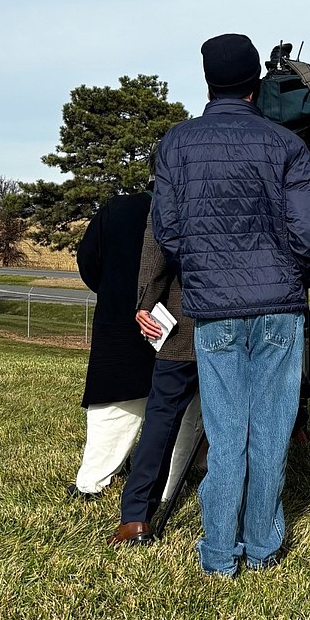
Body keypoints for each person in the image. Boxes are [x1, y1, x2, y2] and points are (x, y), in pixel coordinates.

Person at [150, 33, 310, 577]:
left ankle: (220, 553)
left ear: (208, 81)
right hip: (277, 303)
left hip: (215, 307)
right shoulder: (285, 145)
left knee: (227, 433)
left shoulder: (177, 144)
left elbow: (169, 230)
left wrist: (204, 270)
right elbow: (309, 229)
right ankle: (262, 546)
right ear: (256, 83)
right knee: (270, 431)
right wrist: (291, 273)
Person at [107, 204, 201, 546]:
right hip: (243, 315)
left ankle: (136, 518)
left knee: (162, 417)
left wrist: (146, 302)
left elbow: (158, 245)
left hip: (185, 314)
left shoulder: (178, 169)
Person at [69, 185, 158, 500]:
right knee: (184, 406)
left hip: (120, 314)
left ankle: (93, 480)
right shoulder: (192, 209)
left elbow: (89, 262)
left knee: (114, 405)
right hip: (181, 320)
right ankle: (168, 479)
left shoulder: (117, 210)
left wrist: (114, 290)